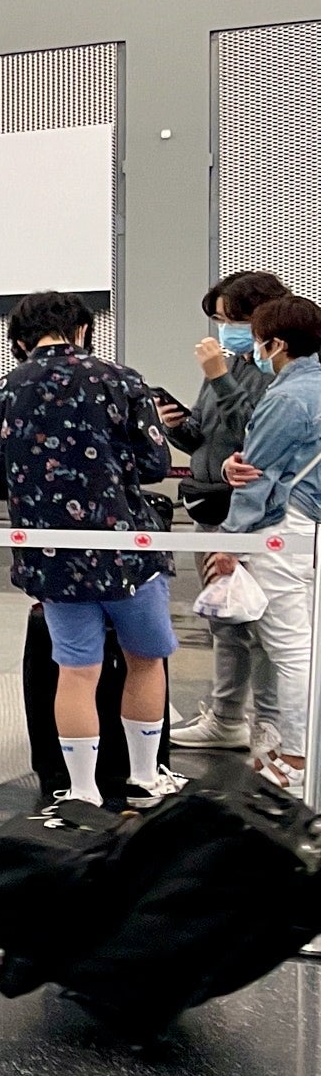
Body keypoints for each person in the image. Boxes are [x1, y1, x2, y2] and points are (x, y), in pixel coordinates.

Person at [0, 290, 181, 808]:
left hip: (52, 560)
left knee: (76, 671)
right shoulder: (121, 379)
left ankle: (82, 788)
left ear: (20, 341)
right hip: (128, 553)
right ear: (83, 330)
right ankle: (145, 776)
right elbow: (156, 464)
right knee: (144, 660)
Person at [165, 270, 292, 750]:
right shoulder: (230, 362)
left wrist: (220, 377)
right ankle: (226, 716)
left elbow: (253, 432)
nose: (221, 330)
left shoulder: (273, 369)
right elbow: (206, 430)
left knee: (259, 622)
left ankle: (269, 721)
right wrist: (176, 426)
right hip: (211, 503)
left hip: (250, 511)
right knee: (226, 618)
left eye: (227, 320)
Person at [222, 293, 321, 790]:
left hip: (287, 530)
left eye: (258, 339)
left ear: (277, 343)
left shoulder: (286, 398)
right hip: (314, 529)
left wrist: (228, 544)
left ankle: (299, 760)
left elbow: (255, 480)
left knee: (289, 648)